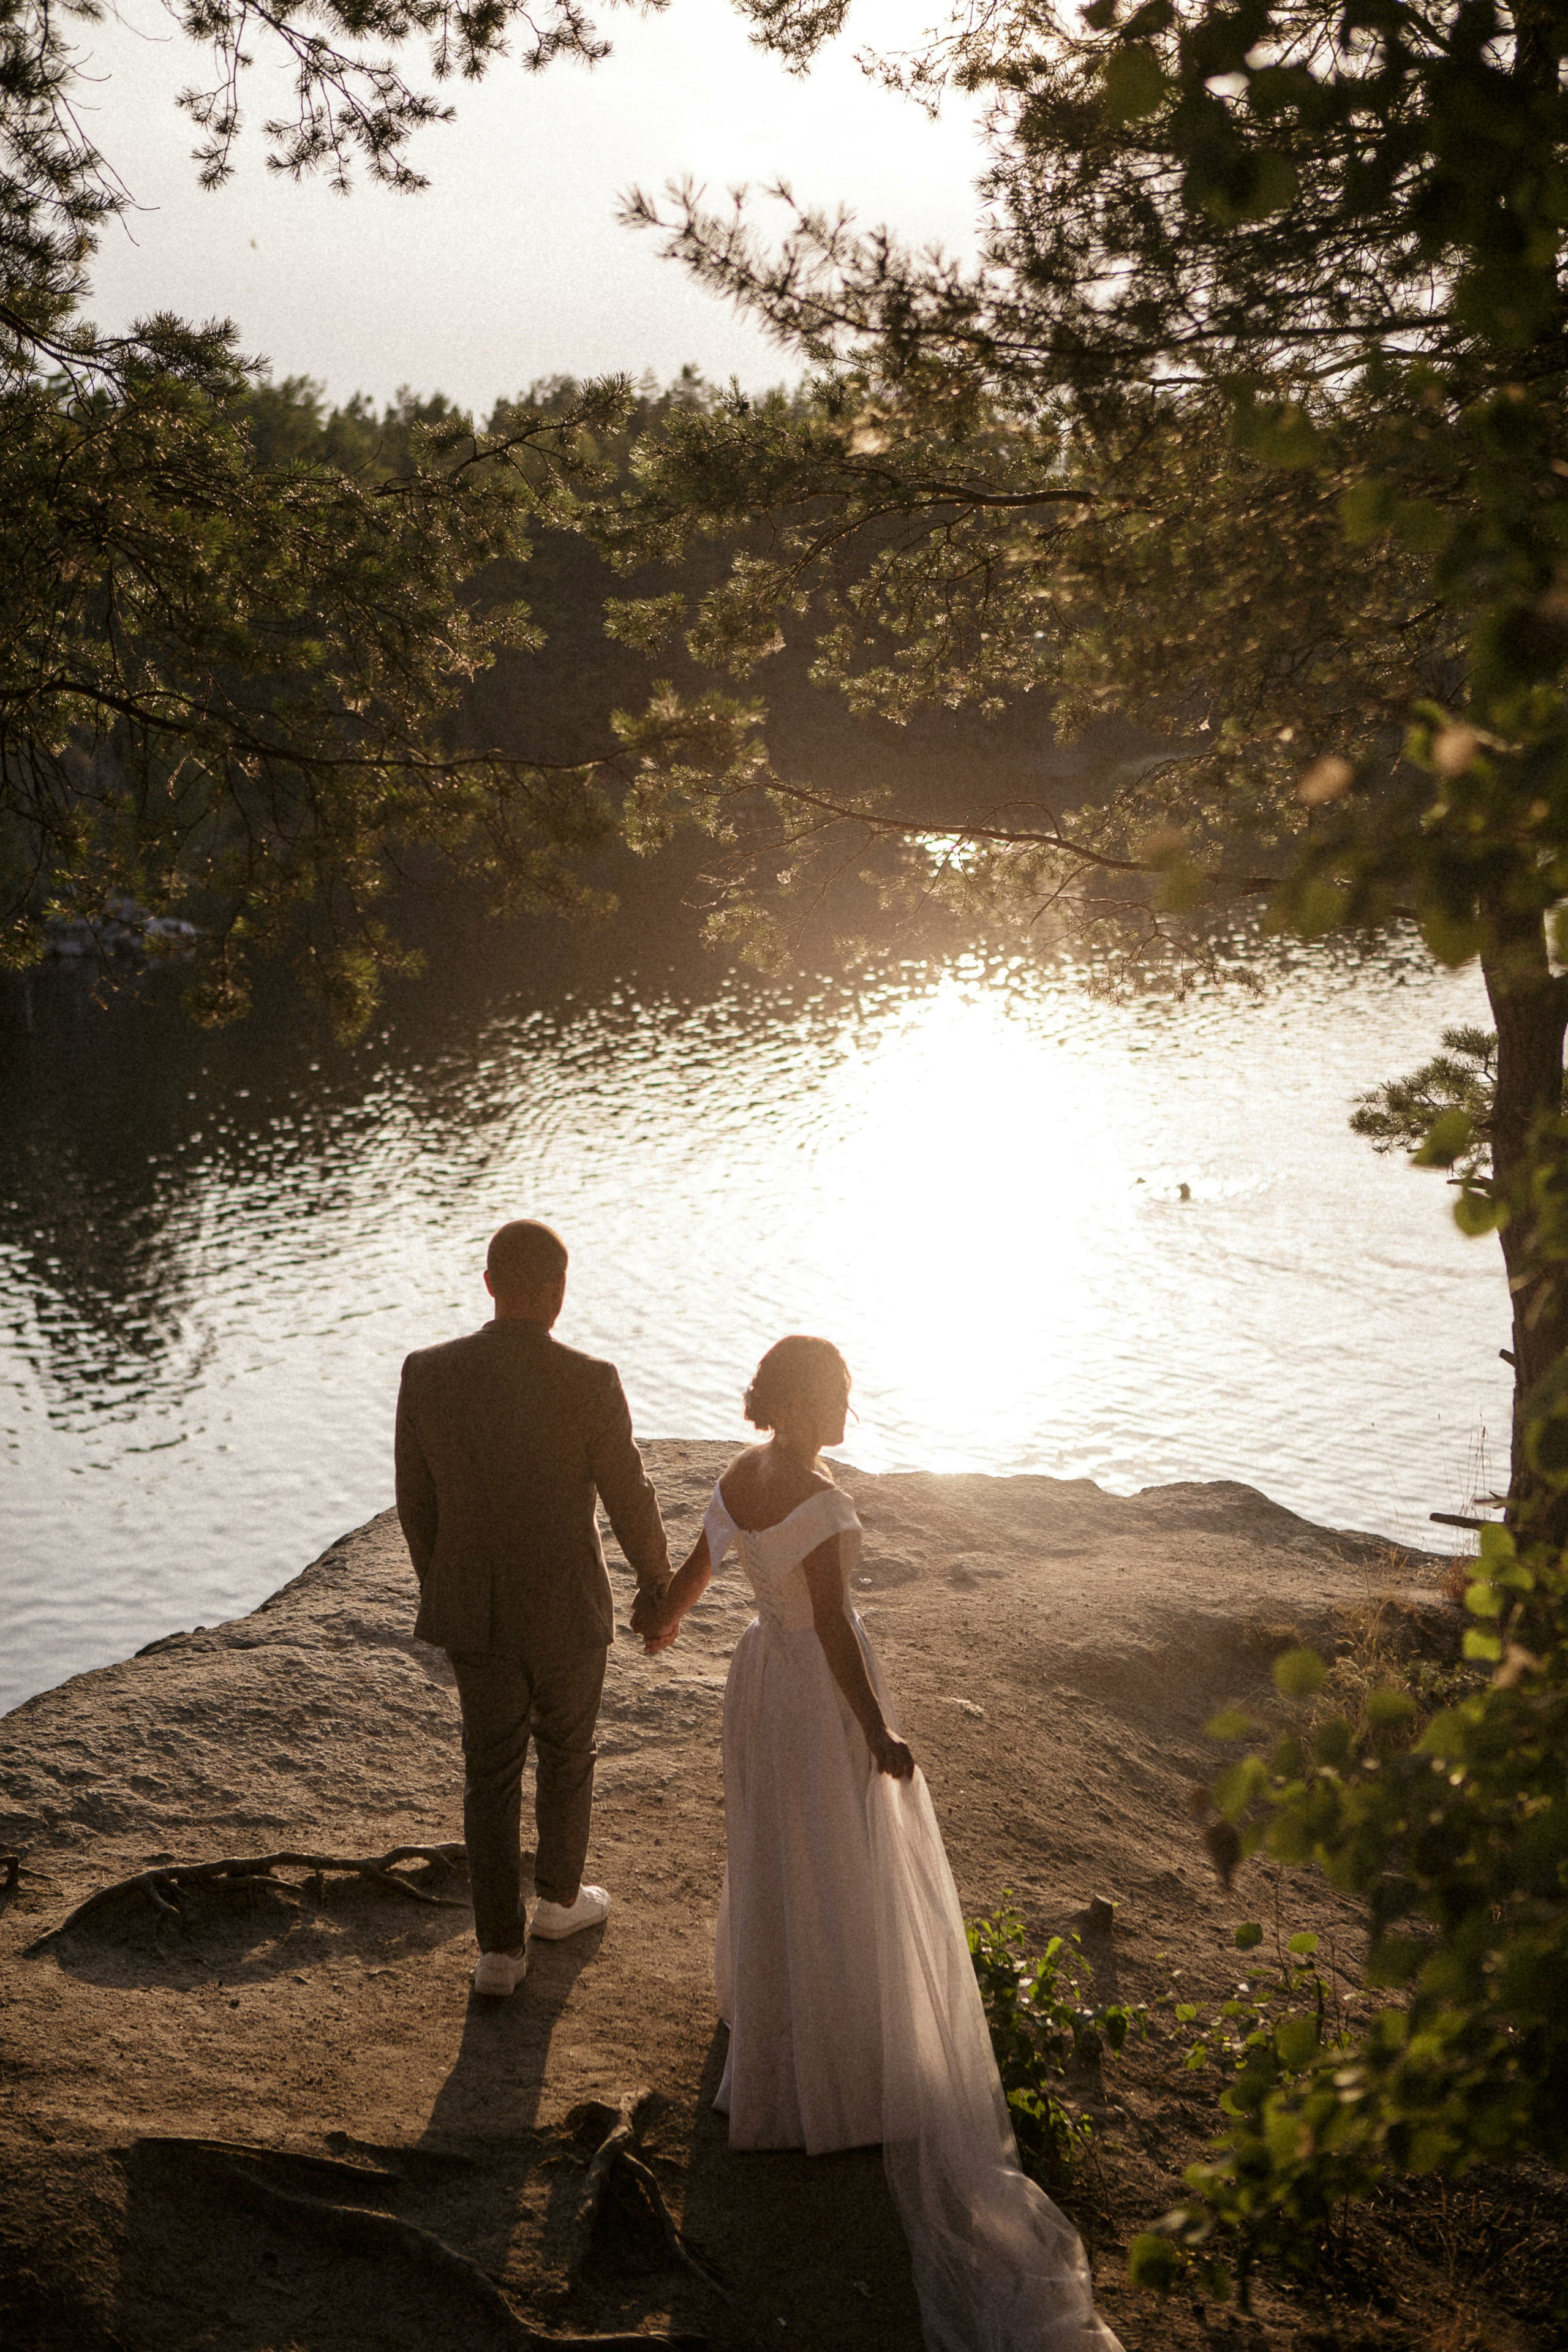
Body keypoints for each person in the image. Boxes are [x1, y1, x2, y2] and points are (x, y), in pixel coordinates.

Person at [635, 1335, 1123, 2352]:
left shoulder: (740, 1475)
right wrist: (879, 1733)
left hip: (757, 1681)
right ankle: (843, 2076)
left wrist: (666, 1623)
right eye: (842, 1393)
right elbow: (836, 1629)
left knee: (775, 1855)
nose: (852, 1406)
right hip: (813, 1692)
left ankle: (777, 2060)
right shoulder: (823, 1503)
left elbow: (698, 1569)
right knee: (835, 1864)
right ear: (809, 1403)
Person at [396, 1219, 669, 1997]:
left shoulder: (427, 1372)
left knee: (489, 1775)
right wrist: (658, 1590)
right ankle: (556, 1900)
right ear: (557, 1291)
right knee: (568, 1754)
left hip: (475, 1612)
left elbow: (415, 1505)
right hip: (566, 1606)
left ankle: (497, 1952)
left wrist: (445, 1586)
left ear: (488, 1284)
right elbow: (629, 1496)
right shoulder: (590, 1379)